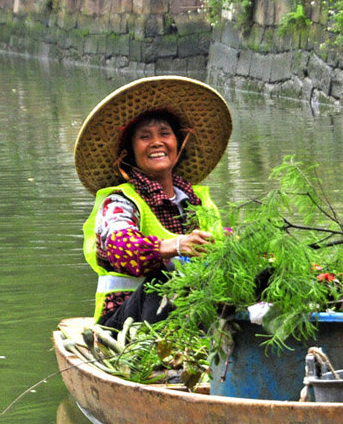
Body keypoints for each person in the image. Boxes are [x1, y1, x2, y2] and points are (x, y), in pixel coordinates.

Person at [74, 76, 233, 329]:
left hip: (188, 314)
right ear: (130, 151)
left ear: (177, 144)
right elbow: (122, 248)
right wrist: (178, 245)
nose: (157, 142)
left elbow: (221, 241)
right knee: (164, 277)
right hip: (123, 323)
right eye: (145, 136)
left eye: (164, 134)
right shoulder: (119, 202)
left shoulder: (195, 201)